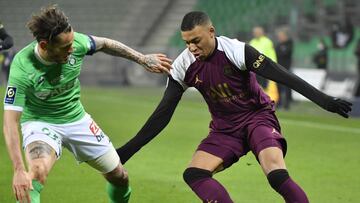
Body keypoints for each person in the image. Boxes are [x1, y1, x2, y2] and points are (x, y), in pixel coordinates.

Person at [116, 11, 352, 203]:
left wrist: (326, 101)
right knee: (194, 174)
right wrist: (126, 151)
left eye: (196, 41)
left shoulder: (237, 51)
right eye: (187, 43)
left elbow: (284, 76)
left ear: (211, 32)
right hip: (224, 129)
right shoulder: (182, 66)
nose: (192, 48)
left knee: (275, 173)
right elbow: (162, 115)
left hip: (257, 118)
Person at [3, 5, 171, 203]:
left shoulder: (78, 43)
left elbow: (107, 44)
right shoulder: (23, 67)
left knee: (120, 176)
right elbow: (10, 122)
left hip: (77, 119)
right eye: (65, 47)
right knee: (35, 174)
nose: (72, 49)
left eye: (72, 42)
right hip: (41, 122)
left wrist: (142, 58)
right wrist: (18, 170)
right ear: (43, 45)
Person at [249, 26, 279, 103]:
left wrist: (273, 65)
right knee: (256, 85)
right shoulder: (252, 42)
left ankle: (265, 101)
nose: (256, 34)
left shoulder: (267, 42)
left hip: (264, 67)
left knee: (264, 86)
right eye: (255, 32)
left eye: (257, 32)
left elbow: (272, 54)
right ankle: (258, 101)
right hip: (254, 68)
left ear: (262, 33)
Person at [275, 28, 293, 110]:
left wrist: (280, 52)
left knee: (287, 86)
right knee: (278, 86)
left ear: (285, 36)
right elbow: (277, 53)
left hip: (286, 68)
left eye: (281, 36)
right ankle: (279, 102)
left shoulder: (290, 43)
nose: (279, 38)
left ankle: (287, 103)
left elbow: (285, 53)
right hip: (278, 67)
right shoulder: (278, 45)